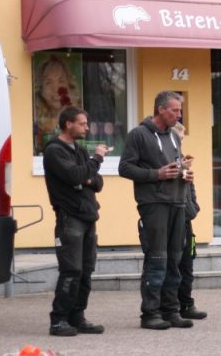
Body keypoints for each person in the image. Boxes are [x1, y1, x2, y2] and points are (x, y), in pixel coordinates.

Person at [119, 91, 195, 330]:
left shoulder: (174, 136)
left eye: (180, 110)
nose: (179, 115)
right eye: (175, 110)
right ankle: (150, 313)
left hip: (178, 202)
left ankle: (171, 311)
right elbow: (125, 168)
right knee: (157, 257)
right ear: (161, 109)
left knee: (175, 259)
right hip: (154, 205)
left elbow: (175, 163)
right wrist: (156, 174)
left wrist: (185, 173)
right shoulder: (138, 135)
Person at [42, 106, 110, 337]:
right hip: (69, 218)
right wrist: (96, 161)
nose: (87, 127)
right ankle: (58, 320)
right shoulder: (54, 151)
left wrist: (87, 176)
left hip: (88, 216)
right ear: (68, 124)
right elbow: (75, 176)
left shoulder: (79, 150)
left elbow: (97, 182)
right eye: (82, 123)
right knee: (71, 270)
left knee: (86, 271)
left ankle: (77, 317)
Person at [173, 122, 207, 321]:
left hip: (187, 221)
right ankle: (171, 305)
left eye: (182, 138)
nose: (181, 142)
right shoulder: (166, 158)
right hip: (172, 220)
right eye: (179, 138)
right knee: (174, 264)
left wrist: (193, 207)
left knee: (188, 261)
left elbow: (189, 187)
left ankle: (186, 302)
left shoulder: (182, 160)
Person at [34, 54, 81, 153]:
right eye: (48, 82)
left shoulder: (78, 117)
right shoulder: (36, 123)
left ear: (69, 85)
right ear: (40, 89)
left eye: (61, 81)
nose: (56, 89)